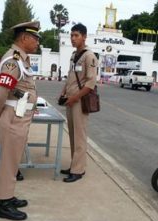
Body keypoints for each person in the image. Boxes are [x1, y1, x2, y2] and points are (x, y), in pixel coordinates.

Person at [0, 21, 40, 221]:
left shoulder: (21, 59)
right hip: (12, 117)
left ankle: (8, 196)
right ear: (24, 38)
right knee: (8, 162)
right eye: (35, 37)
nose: (37, 41)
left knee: (12, 161)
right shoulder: (13, 60)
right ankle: (3, 204)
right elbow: (1, 93)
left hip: (19, 117)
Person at [59, 23, 98, 183]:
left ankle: (78, 170)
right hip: (70, 99)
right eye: (71, 35)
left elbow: (91, 82)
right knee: (73, 135)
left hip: (80, 101)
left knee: (80, 135)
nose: (73, 38)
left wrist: (74, 97)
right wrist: (63, 92)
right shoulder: (74, 55)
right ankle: (74, 165)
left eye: (76, 35)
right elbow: (70, 77)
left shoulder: (89, 56)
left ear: (84, 37)